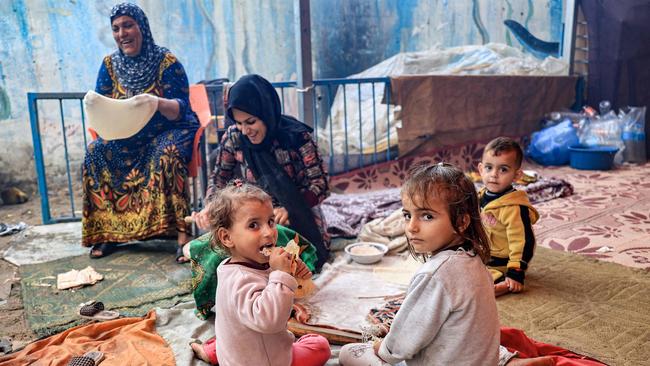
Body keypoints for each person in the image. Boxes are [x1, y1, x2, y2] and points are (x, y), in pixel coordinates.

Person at [339, 162, 500, 365]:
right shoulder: (475, 261)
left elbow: (398, 349)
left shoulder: (435, 275)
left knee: (349, 352)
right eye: (407, 215)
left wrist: (379, 346)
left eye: (427, 216)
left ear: (461, 222)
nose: (412, 227)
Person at [82, 2, 198, 262]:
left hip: (168, 130)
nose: (121, 33)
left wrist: (156, 102)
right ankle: (108, 235)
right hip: (126, 136)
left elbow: (181, 108)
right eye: (115, 28)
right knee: (95, 151)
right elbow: (103, 104)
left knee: (166, 154)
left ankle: (182, 235)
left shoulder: (166, 61)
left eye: (127, 25)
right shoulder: (110, 65)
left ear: (141, 27)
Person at [190, 74, 330, 270]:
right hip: (254, 216)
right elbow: (219, 179)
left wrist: (289, 208)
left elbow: (321, 185)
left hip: (296, 214)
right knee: (218, 247)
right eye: (238, 123)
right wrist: (210, 206)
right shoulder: (235, 137)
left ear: (266, 114)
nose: (245, 130)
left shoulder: (296, 137)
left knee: (293, 256)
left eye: (251, 121)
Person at [190, 182, 331, 366]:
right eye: (254, 225)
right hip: (264, 360)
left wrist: (295, 272)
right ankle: (216, 352)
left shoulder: (235, 264)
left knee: (234, 332)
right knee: (320, 346)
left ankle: (213, 351)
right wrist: (281, 274)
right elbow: (270, 321)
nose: (269, 232)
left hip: (238, 349)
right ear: (227, 237)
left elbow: (277, 283)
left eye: (270, 222)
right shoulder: (240, 279)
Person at [477, 137, 539, 297]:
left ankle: (504, 282)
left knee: (479, 283)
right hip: (481, 254)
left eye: (503, 169)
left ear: (517, 175)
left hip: (501, 262)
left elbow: (523, 241)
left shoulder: (514, 207)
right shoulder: (479, 197)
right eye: (489, 168)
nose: (494, 175)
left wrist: (516, 271)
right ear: (480, 169)